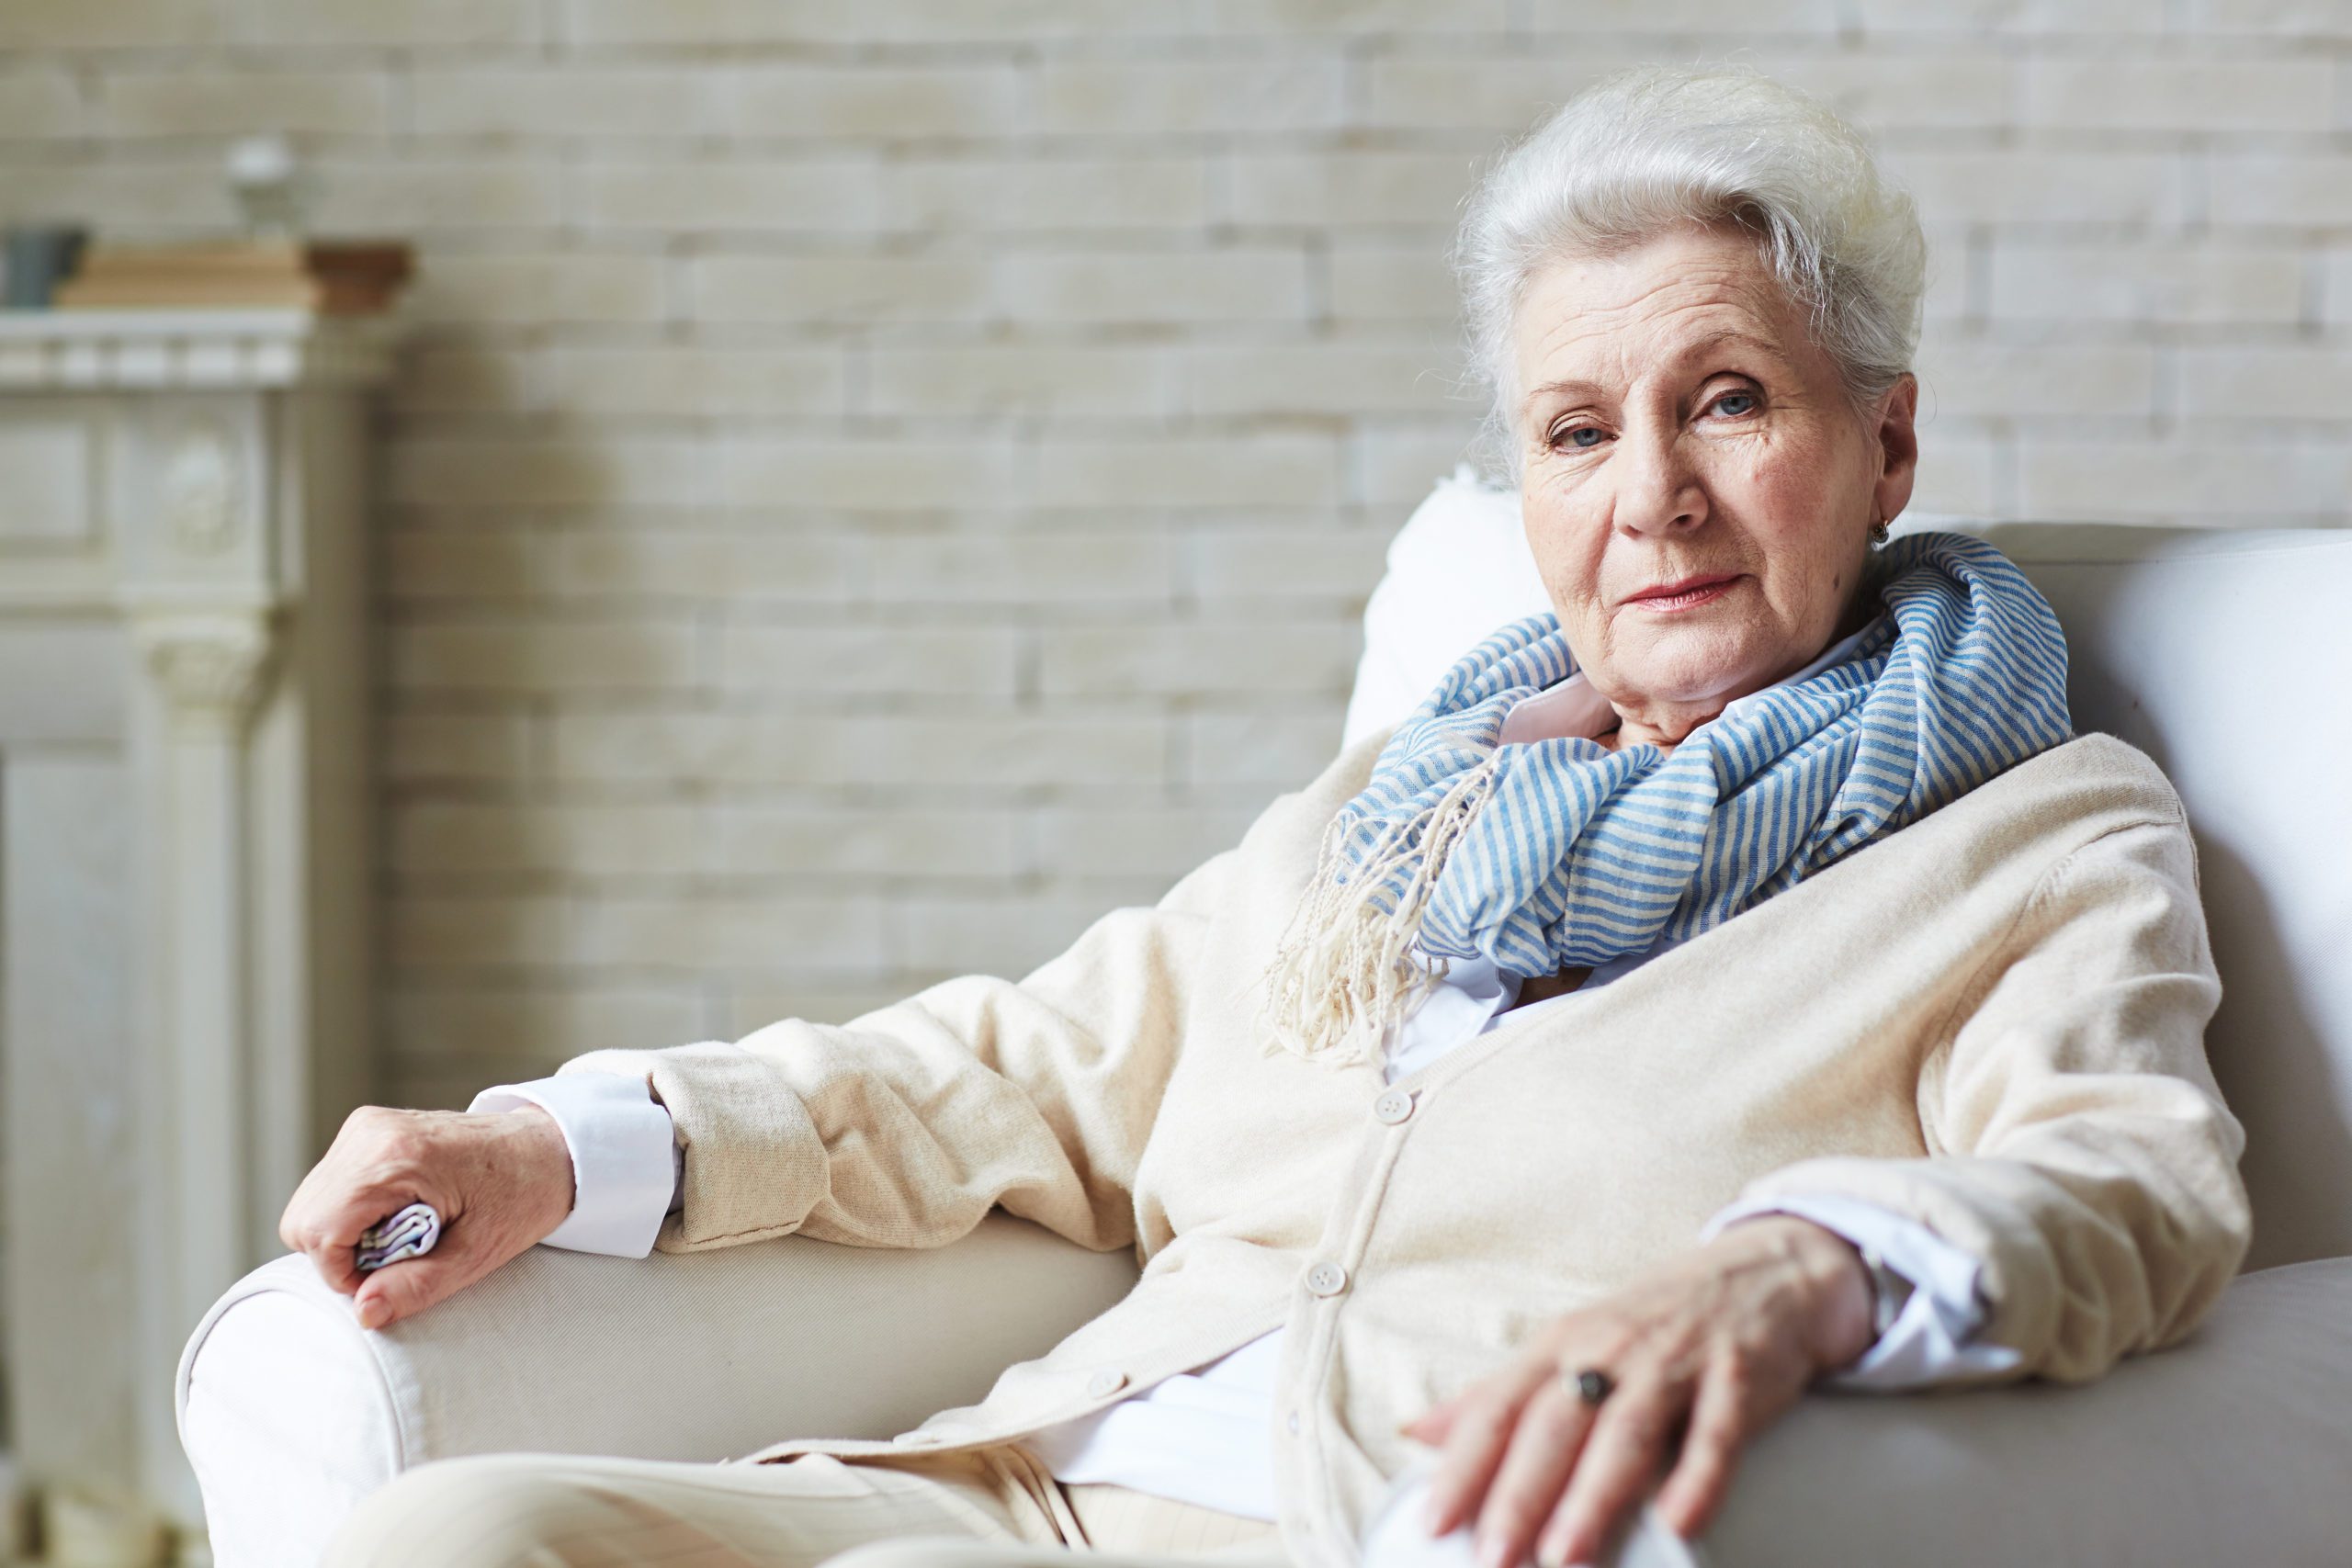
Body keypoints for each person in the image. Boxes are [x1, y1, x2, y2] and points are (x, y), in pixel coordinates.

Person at [285, 63, 2250, 1568]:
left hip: (1373, 1511)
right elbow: (1023, 1068)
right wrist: (548, 1146)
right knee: (438, 1536)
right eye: (1577, 431)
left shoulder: (2028, 836)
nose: (1648, 494)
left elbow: (2132, 1182)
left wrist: (1790, 1266)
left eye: (1725, 399)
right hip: (1022, 1484)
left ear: (1882, 440)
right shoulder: (1396, 811)